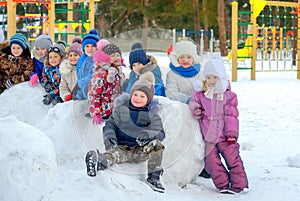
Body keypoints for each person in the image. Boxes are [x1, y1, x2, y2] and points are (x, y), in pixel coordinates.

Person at [85, 72, 166, 193]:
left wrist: (147, 136)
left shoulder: (152, 115)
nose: (138, 98)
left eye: (142, 96)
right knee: (112, 156)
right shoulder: (120, 110)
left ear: (148, 99)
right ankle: (97, 162)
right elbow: (110, 125)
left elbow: (160, 132)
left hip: (140, 150)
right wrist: (110, 139)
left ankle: (154, 177)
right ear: (131, 95)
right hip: (121, 148)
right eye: (136, 95)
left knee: (157, 144)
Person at [189, 56, 248, 194]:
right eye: (208, 78)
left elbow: (231, 116)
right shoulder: (201, 95)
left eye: (215, 78)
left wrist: (232, 134)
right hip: (209, 136)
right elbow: (193, 102)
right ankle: (222, 184)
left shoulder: (228, 96)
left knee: (232, 159)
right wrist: (195, 108)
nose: (211, 81)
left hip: (226, 136)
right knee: (211, 162)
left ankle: (238, 184)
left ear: (221, 78)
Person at [166, 40, 210, 178]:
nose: (185, 60)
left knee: (203, 139)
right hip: (183, 112)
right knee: (186, 139)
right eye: (182, 57)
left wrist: (203, 100)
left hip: (201, 112)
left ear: (194, 58)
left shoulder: (199, 73)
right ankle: (184, 164)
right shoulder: (172, 74)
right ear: (176, 58)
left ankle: (205, 165)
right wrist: (190, 100)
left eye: (189, 57)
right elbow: (171, 93)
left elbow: (206, 89)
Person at [88, 43, 125, 124]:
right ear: (106, 58)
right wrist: (96, 112)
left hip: (114, 110)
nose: (116, 58)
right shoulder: (101, 73)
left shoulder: (119, 72)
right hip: (104, 112)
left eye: (118, 55)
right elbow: (94, 94)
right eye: (113, 55)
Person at [75, 29, 100, 100]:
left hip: (92, 90)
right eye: (87, 46)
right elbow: (79, 74)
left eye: (93, 46)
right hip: (82, 90)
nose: (90, 49)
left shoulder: (97, 60)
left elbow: (92, 75)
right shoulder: (81, 60)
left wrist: (79, 84)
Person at [41, 41, 66, 106]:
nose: (53, 59)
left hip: (63, 94)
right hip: (53, 91)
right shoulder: (47, 68)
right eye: (50, 57)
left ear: (61, 57)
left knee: (56, 103)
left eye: (55, 57)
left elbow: (63, 86)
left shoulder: (63, 69)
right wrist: (46, 83)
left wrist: (52, 95)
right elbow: (44, 77)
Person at [59, 37, 83, 101]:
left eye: (76, 55)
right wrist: (66, 95)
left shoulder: (84, 69)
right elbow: (63, 87)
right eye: (70, 55)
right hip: (70, 101)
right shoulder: (65, 70)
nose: (73, 58)